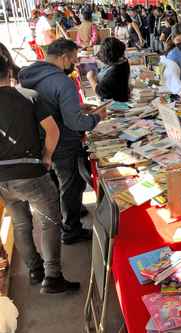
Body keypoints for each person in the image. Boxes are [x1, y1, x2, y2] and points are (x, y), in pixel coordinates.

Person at [0, 55, 81, 294]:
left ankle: (35, 270)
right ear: (9, 72)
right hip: (32, 171)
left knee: (21, 223)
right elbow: (52, 131)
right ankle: (52, 276)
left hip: (2, 178)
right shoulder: (29, 97)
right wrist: (46, 157)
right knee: (49, 222)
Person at [19, 38, 107, 245]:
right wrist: (97, 117)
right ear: (64, 57)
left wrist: (77, 107)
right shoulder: (62, 81)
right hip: (63, 141)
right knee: (71, 183)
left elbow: (52, 106)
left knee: (57, 182)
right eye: (73, 59)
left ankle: (65, 217)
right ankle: (70, 229)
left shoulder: (29, 74)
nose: (74, 64)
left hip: (39, 138)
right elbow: (75, 122)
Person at [86, 37, 130, 102]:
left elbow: (101, 92)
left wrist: (90, 78)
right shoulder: (122, 61)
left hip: (115, 104)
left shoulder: (116, 71)